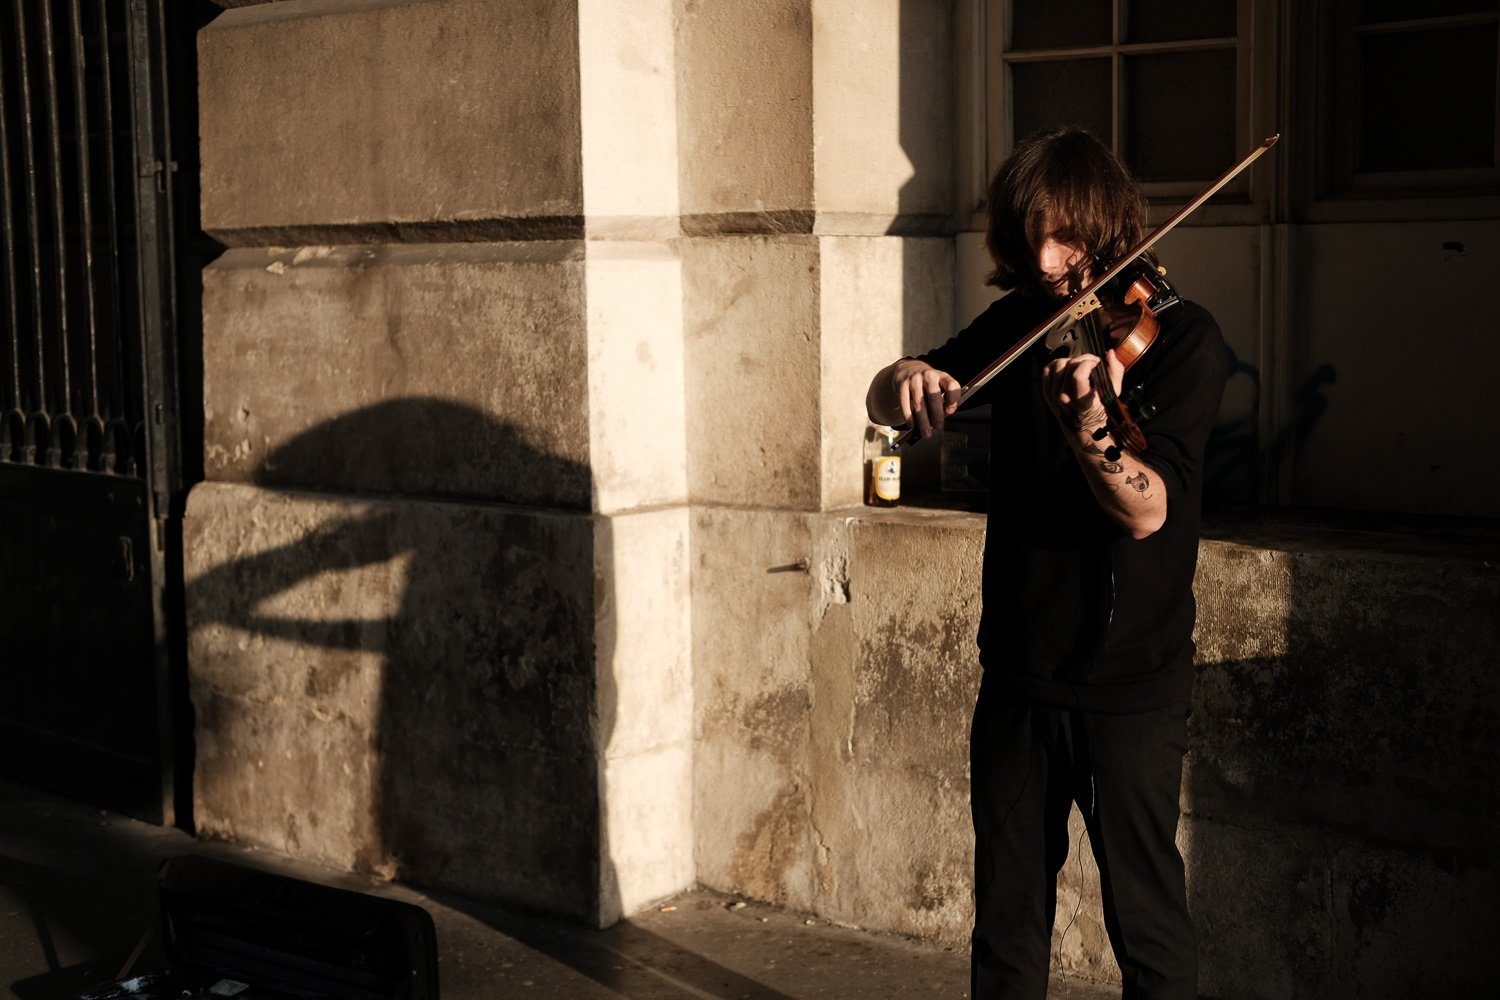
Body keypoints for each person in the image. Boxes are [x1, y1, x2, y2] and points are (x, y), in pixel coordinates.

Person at [865, 128, 1229, 999]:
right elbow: (891, 395)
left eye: (1065, 239)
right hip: (1019, 673)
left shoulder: (1181, 341)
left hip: (1129, 685)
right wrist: (904, 375)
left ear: (1108, 227)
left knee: (1145, 928)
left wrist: (1089, 424)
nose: (1047, 260)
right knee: (1006, 924)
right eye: (1029, 239)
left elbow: (1148, 510)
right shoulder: (1026, 316)